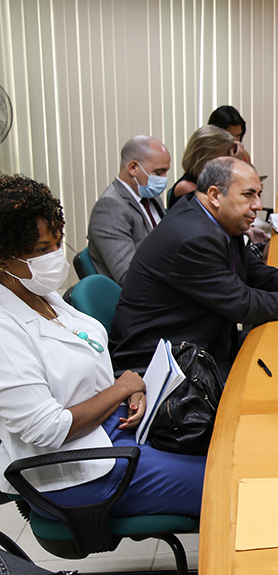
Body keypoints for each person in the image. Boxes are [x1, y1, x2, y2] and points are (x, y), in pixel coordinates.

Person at [0, 174, 204, 517]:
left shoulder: (42, 295)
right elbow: (49, 430)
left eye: (57, 242)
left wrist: (128, 390)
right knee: (225, 480)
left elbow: (82, 363)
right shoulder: (5, 329)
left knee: (225, 446)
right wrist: (120, 388)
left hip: (114, 433)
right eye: (41, 249)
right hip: (78, 474)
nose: (55, 256)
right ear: (4, 257)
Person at [110, 157, 278, 374]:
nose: (258, 205)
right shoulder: (193, 237)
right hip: (158, 363)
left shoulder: (214, 217)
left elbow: (253, 271)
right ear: (215, 195)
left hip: (201, 341)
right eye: (248, 195)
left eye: (258, 195)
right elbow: (244, 305)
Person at [87, 136, 170, 285]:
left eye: (165, 172)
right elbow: (128, 276)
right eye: (158, 173)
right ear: (133, 168)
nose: (164, 179)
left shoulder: (151, 197)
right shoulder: (110, 206)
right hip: (141, 292)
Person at [167, 124, 237, 209]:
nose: (229, 159)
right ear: (207, 157)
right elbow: (227, 209)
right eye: (226, 154)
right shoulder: (186, 187)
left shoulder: (207, 182)